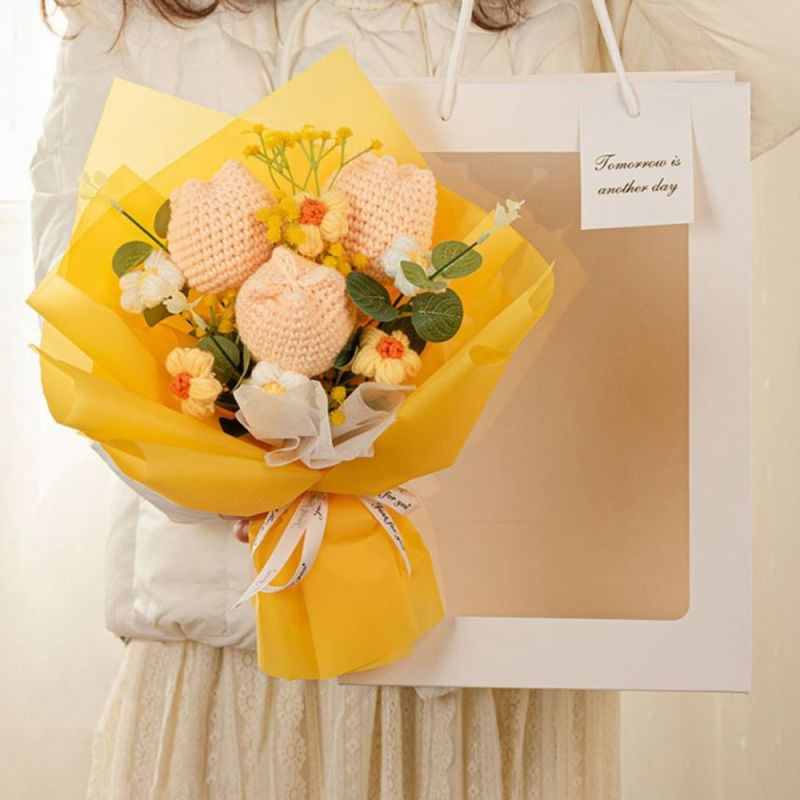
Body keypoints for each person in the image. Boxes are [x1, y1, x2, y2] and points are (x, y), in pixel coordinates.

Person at [33, 1, 627, 797]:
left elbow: (606, 279)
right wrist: (242, 464)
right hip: (228, 636)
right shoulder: (132, 15)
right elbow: (87, 306)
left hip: (483, 632)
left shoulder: (538, 9)